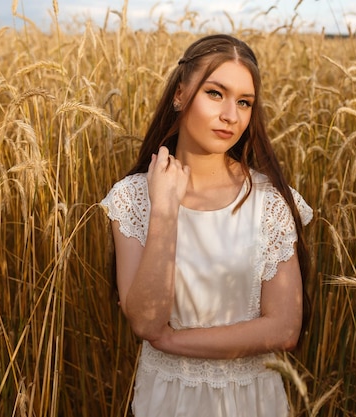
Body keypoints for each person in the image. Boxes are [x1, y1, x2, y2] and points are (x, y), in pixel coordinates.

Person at [100, 33, 313, 417]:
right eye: (216, 93)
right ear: (179, 95)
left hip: (252, 402)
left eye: (244, 102)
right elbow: (147, 320)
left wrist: (170, 340)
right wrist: (165, 210)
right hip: (165, 401)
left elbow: (283, 329)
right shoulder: (133, 197)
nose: (231, 115)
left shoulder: (268, 202)